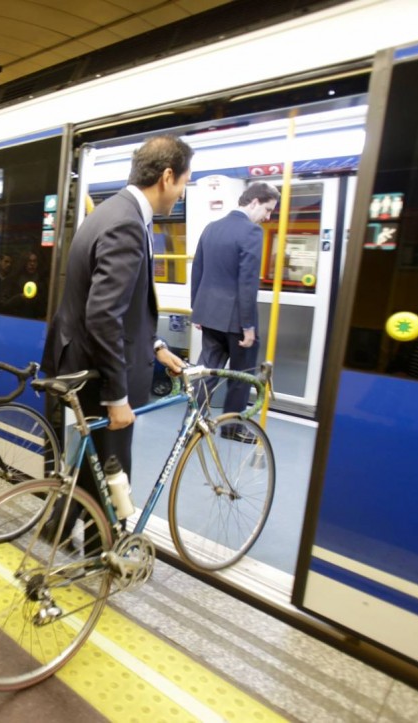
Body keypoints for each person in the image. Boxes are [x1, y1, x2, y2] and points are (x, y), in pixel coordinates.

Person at [42, 134, 188, 528]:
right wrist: (117, 395)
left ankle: (62, 527)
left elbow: (117, 304)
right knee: (112, 469)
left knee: (93, 468)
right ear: (168, 176)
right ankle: (98, 556)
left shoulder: (108, 212)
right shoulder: (127, 223)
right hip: (99, 370)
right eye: (183, 184)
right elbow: (105, 314)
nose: (181, 194)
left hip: (81, 356)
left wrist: (155, 345)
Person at [190, 181, 279, 442]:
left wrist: (198, 310)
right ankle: (231, 428)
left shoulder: (211, 228)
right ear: (253, 202)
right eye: (268, 209)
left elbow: (198, 269)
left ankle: (193, 420)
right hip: (237, 321)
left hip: (209, 315)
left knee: (207, 371)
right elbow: (247, 282)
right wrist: (248, 326)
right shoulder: (252, 232)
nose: (268, 216)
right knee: (242, 375)